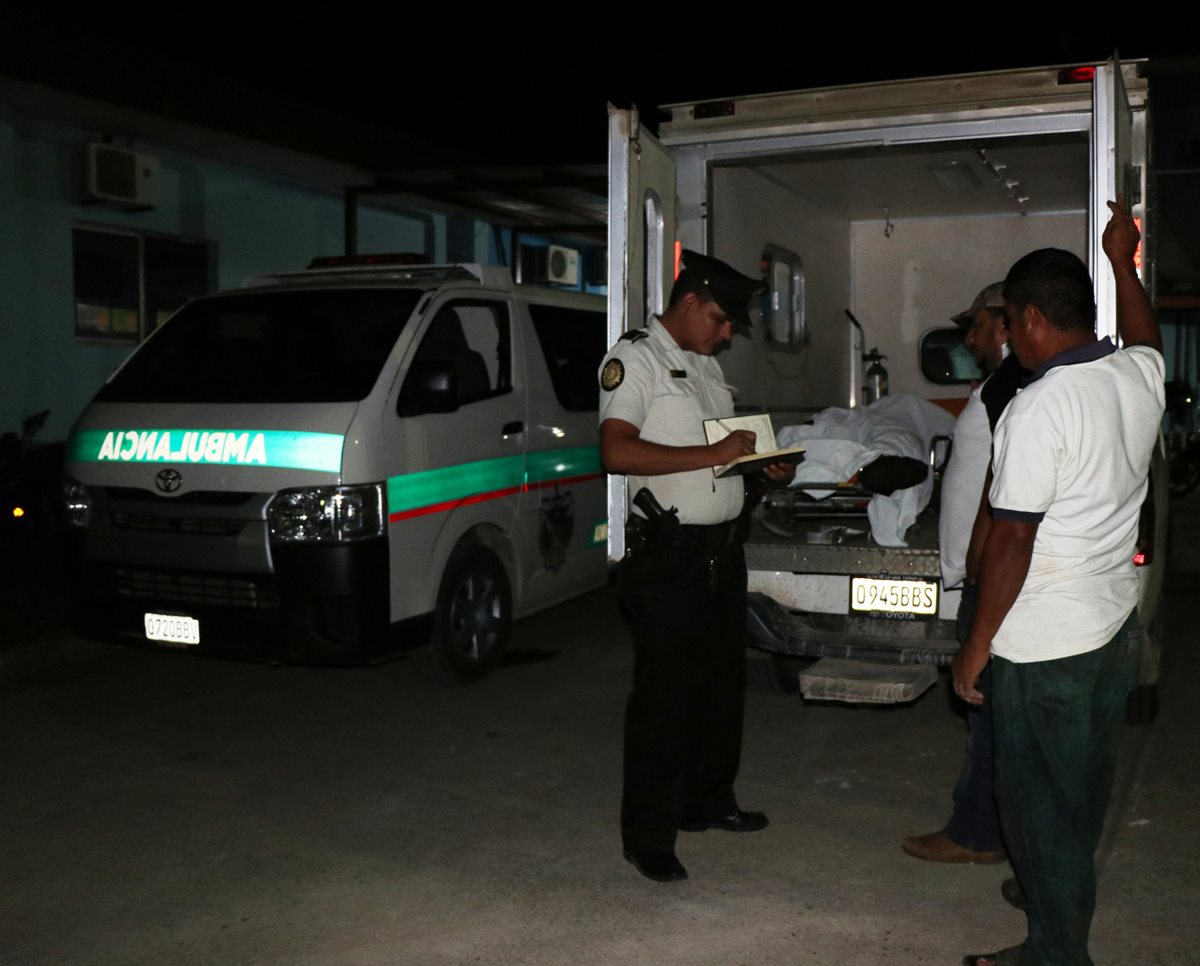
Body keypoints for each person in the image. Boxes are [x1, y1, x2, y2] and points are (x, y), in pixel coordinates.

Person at [954, 201, 1164, 966]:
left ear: (1034, 317)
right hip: (1111, 632)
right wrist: (1121, 259)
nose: (1008, 336)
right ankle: (1053, 918)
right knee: (1074, 805)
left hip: (1044, 650)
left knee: (1038, 813)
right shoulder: (1137, 375)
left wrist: (975, 644)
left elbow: (1011, 537)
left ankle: (1056, 953)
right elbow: (1145, 335)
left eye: (1010, 321)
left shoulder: (1038, 407)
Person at [599, 249, 795, 883]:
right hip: (669, 557)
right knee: (663, 699)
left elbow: (719, 461)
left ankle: (707, 802)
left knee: (718, 689)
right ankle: (649, 837)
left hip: (719, 553)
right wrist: (714, 451)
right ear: (688, 303)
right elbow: (617, 451)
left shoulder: (706, 367)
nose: (728, 331)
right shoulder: (635, 360)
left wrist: (760, 468)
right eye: (720, 318)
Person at [902, 282, 1025, 865]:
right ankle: (991, 827)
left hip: (991, 576)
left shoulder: (1012, 389)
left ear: (1006, 325)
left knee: (988, 712)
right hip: (977, 574)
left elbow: (1003, 498)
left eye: (976, 324)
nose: (969, 337)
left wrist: (980, 575)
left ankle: (977, 834)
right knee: (989, 714)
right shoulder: (996, 388)